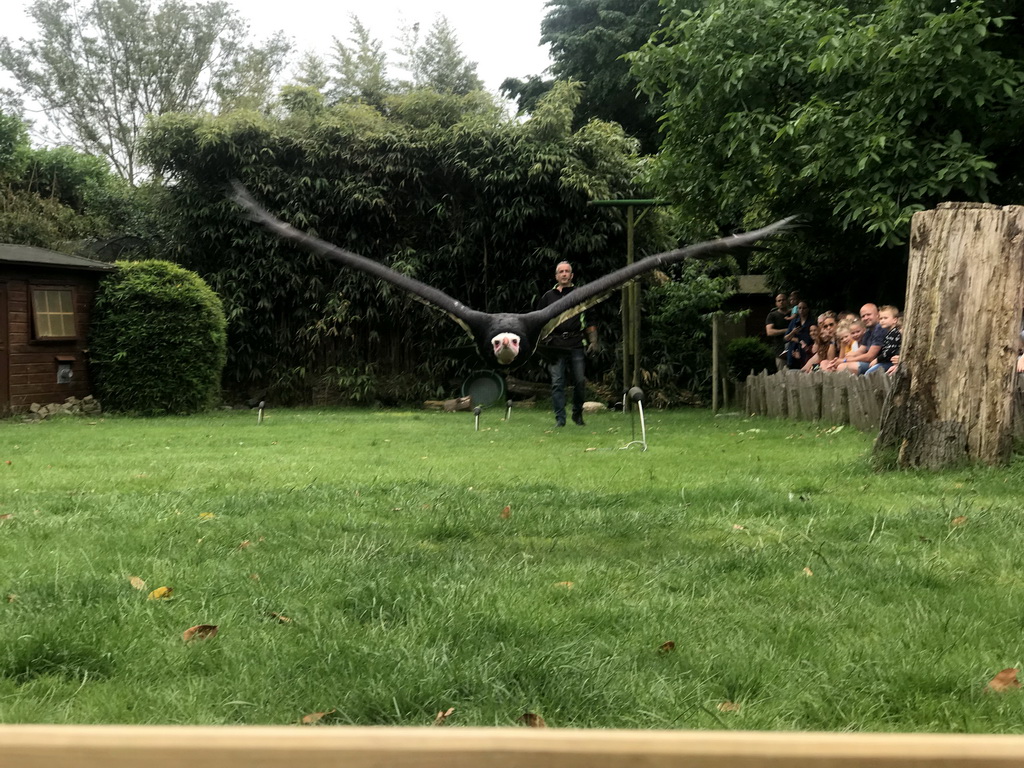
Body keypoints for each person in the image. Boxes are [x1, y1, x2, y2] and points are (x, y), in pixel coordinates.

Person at [537, 261, 597, 427]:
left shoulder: (581, 295)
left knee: (579, 381)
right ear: (556, 276)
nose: (564, 274)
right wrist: (542, 342)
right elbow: (538, 320)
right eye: (560, 272)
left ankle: (577, 414)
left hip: (576, 343)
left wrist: (593, 340)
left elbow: (590, 318)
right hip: (555, 345)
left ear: (571, 275)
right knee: (557, 383)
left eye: (567, 271)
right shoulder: (548, 297)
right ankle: (560, 420)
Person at [835, 303, 885, 374]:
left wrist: (845, 361)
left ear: (877, 314)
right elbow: (860, 351)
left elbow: (870, 356)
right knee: (832, 364)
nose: (866, 318)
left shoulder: (879, 328)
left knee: (842, 367)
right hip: (870, 363)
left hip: (881, 363)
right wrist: (843, 359)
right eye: (863, 316)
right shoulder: (868, 331)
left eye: (868, 314)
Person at [866, 305, 902, 374]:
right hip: (887, 362)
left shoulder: (895, 333)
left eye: (885, 318)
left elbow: (889, 351)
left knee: (870, 373)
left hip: (891, 362)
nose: (882, 321)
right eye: (880, 318)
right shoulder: (889, 333)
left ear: (895, 320)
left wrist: (877, 360)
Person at [764, 293, 790, 365]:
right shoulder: (772, 315)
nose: (781, 302)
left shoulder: (793, 314)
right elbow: (769, 332)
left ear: (787, 301)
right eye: (779, 300)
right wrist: (785, 330)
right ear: (776, 303)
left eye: (783, 300)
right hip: (780, 351)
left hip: (795, 350)